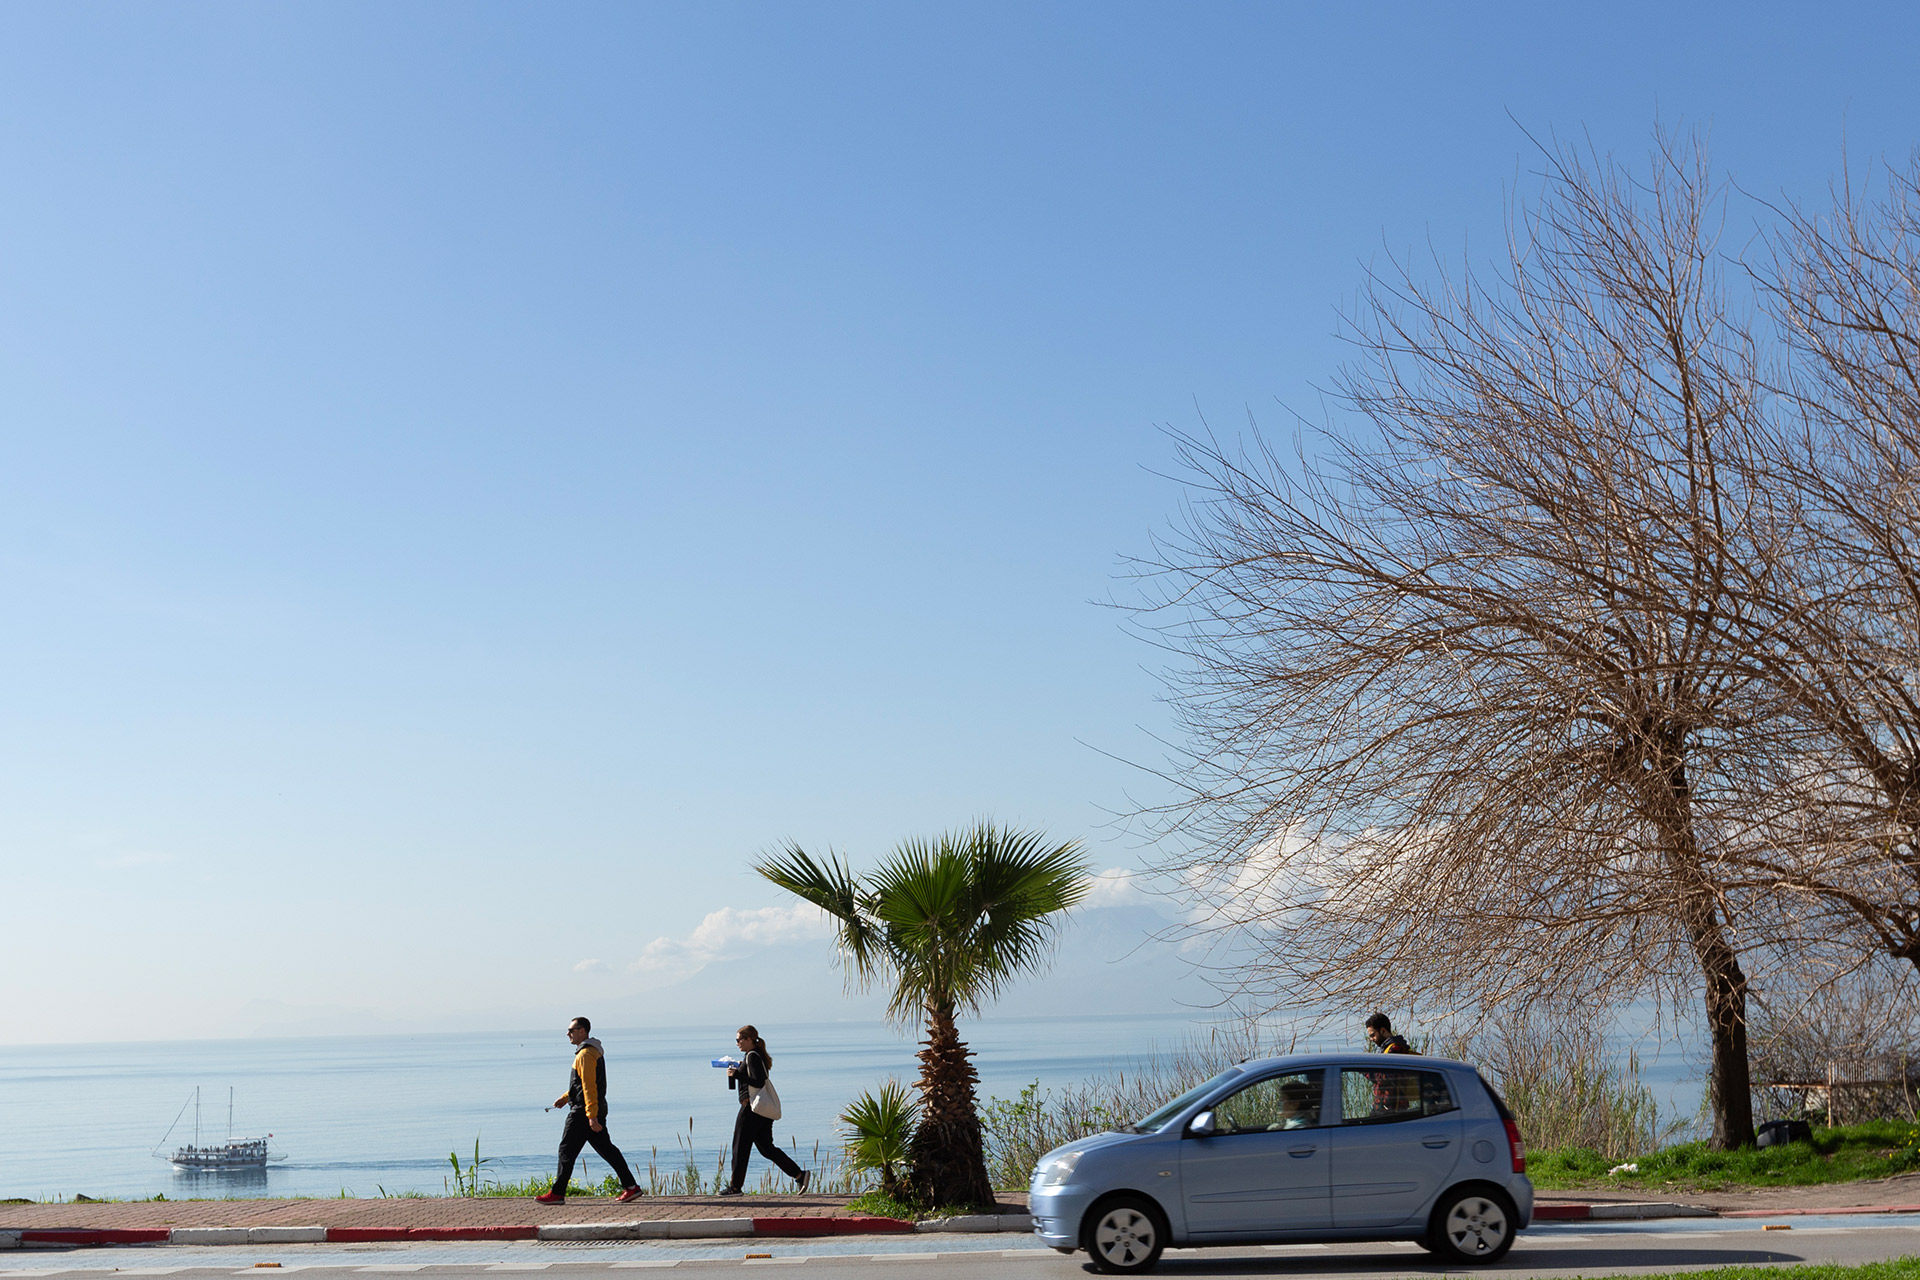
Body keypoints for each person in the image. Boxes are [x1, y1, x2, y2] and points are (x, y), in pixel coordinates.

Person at [535, 1016, 645, 1204]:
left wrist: (591, 1116)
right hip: (591, 1110)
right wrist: (565, 1098)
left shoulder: (585, 1054)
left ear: (582, 1031)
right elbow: (582, 1085)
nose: (568, 1034)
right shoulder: (590, 1052)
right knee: (607, 1150)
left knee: (566, 1151)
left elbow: (589, 1087)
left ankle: (557, 1193)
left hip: (583, 1113)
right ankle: (631, 1187)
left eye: (571, 1030)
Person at [717, 1024, 810, 1196]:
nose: (737, 1043)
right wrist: (740, 1068)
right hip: (762, 1111)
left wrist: (736, 1074)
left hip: (752, 1110)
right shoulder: (754, 1055)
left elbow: (758, 1082)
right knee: (767, 1148)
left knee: (740, 1147)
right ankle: (799, 1174)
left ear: (748, 1039)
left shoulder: (752, 1056)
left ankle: (735, 1187)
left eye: (739, 1040)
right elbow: (756, 1077)